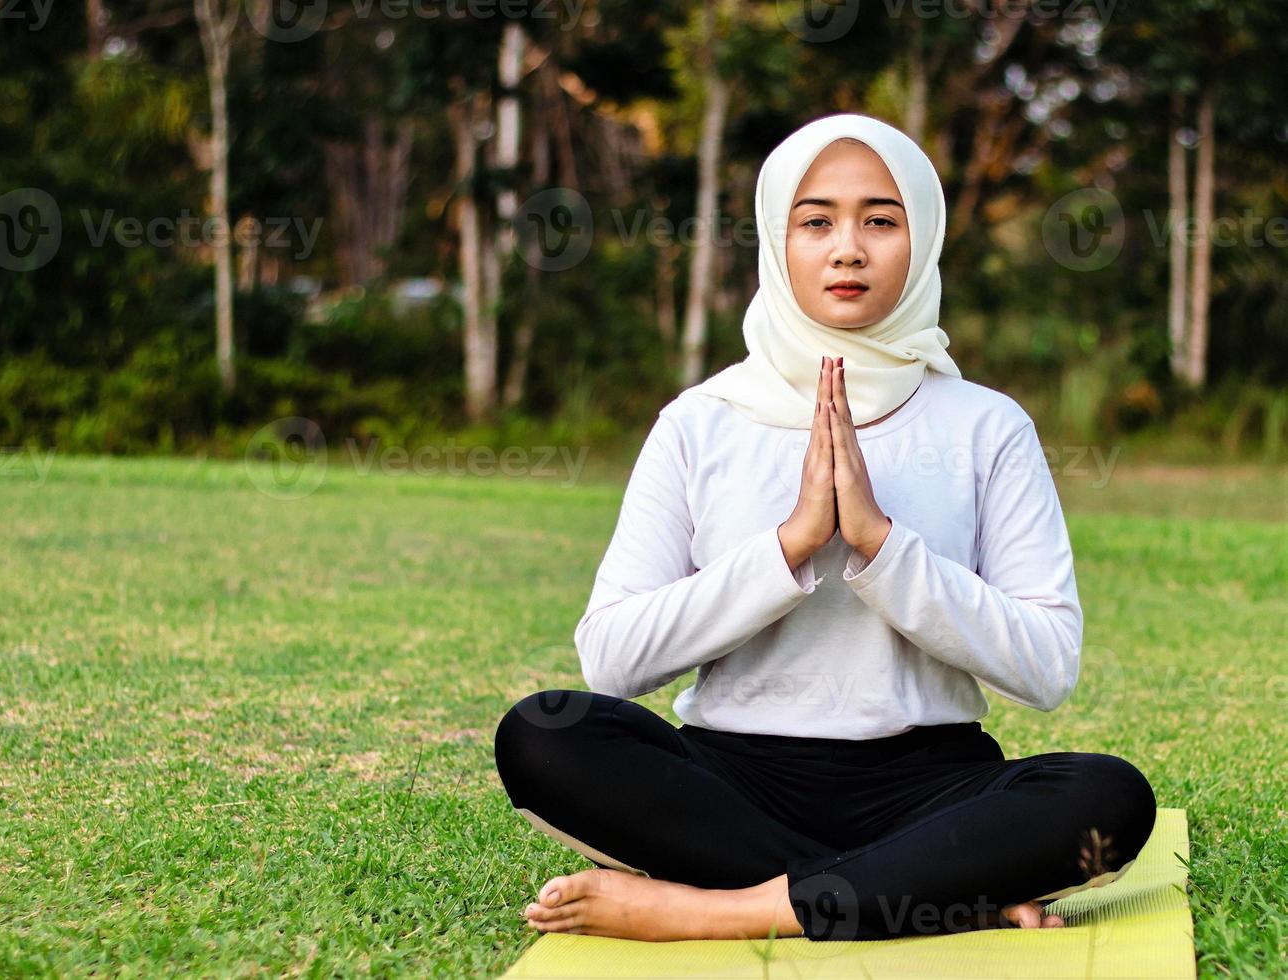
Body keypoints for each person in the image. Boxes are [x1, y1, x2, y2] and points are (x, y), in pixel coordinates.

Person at [494, 113, 1157, 943]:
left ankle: (728, 912)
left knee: (1109, 797)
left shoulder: (988, 426)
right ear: (779, 239)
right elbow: (614, 657)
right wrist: (789, 548)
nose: (848, 248)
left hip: (928, 786)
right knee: (544, 733)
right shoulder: (701, 421)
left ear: (923, 238)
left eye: (881, 220)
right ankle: (923, 895)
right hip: (732, 782)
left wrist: (882, 547)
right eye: (817, 221)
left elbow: (1048, 666)